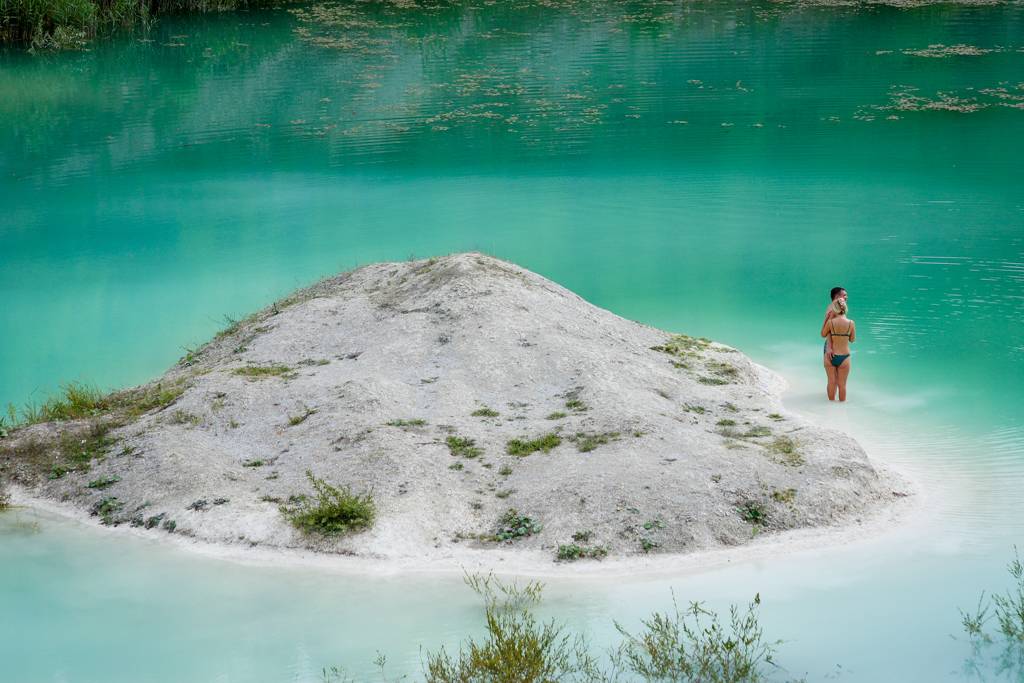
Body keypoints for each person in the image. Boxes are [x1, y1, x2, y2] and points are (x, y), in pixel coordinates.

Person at [821, 296, 855, 401]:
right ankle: (841, 409)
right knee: (842, 385)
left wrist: (828, 318)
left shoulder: (831, 323)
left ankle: (830, 406)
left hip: (830, 356)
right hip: (844, 357)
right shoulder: (851, 323)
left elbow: (823, 334)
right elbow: (852, 339)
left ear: (835, 309)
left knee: (831, 382)